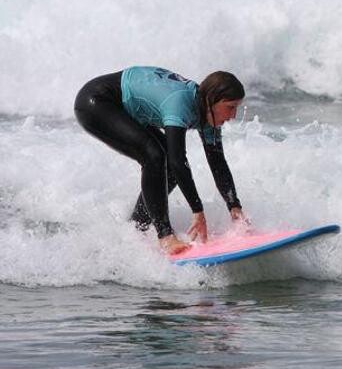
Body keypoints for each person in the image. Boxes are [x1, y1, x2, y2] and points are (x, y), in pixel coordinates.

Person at [74, 66, 246, 254]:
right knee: (154, 155)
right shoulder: (180, 103)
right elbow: (178, 160)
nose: (232, 116)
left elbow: (217, 162)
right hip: (96, 102)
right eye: (230, 108)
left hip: (124, 107)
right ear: (211, 99)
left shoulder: (207, 113)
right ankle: (165, 236)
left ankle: (135, 230)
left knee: (166, 165)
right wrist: (198, 211)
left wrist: (234, 206)